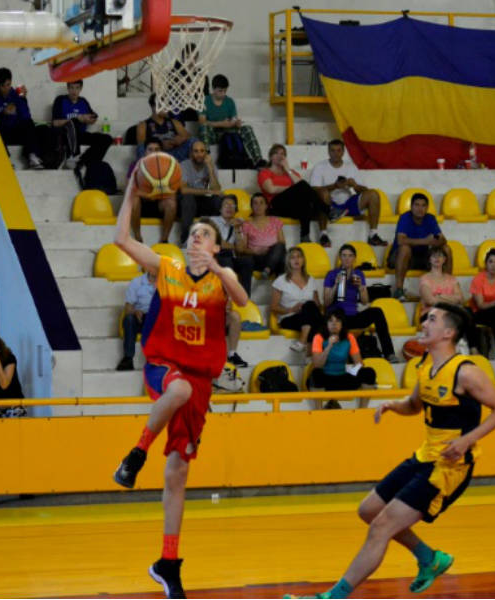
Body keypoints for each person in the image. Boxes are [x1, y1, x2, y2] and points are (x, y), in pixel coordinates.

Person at [284, 303, 495, 599]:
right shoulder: (427, 365)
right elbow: (415, 405)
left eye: (432, 319)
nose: (424, 322)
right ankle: (429, 558)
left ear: (448, 332)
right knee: (368, 510)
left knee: (381, 527)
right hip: (426, 455)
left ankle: (331, 596)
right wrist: (394, 406)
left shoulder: (466, 372)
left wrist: (468, 440)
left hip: (448, 468)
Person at [110, 167, 249, 599]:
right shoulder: (167, 268)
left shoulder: (222, 280)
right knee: (179, 389)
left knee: (180, 472)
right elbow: (122, 240)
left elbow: (242, 300)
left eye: (203, 234)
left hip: (200, 378)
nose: (194, 238)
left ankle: (167, 562)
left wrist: (221, 269)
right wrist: (132, 192)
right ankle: (134, 455)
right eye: (191, 234)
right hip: (163, 365)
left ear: (216, 244)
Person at [324, 244, 400, 363]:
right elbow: (327, 302)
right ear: (340, 257)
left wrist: (361, 288)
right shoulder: (332, 274)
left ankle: (389, 353)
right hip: (338, 316)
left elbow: (365, 301)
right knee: (336, 313)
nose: (347, 259)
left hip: (353, 316)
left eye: (350, 256)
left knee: (377, 312)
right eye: (344, 256)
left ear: (354, 258)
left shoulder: (358, 274)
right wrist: (335, 285)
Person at [309, 140, 387, 247]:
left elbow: (365, 191)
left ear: (343, 152)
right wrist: (334, 186)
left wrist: (354, 185)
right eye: (332, 150)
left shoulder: (351, 166)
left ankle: (373, 235)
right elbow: (313, 190)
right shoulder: (320, 166)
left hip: (348, 204)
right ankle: (323, 235)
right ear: (328, 152)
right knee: (322, 193)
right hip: (330, 204)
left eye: (338, 150)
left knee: (373, 194)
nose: (335, 153)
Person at [258, 144, 330, 246]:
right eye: (276, 153)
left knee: (305, 202)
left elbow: (303, 187)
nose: (279, 156)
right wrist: (291, 189)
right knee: (302, 189)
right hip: (276, 204)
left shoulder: (291, 172)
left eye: (282, 154)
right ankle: (328, 210)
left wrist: (288, 170)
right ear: (270, 157)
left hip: (292, 206)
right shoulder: (265, 172)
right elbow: (271, 189)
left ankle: (305, 237)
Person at [309, 309, 378, 408]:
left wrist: (353, 368)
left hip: (342, 377)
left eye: (337, 321)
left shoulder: (349, 337)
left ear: (342, 324)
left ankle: (363, 410)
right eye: (331, 321)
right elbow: (317, 365)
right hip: (326, 378)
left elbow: (359, 363)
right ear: (326, 323)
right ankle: (318, 411)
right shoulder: (318, 337)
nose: (334, 324)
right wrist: (329, 346)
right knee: (316, 374)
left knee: (369, 373)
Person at [388, 193, 450, 300]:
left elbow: (442, 239)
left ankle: (447, 289)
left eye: (423, 205)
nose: (420, 208)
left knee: (446, 249)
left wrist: (436, 242)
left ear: (427, 208)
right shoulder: (405, 218)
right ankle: (399, 291)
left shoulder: (430, 218)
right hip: (401, 258)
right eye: (416, 205)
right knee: (405, 248)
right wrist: (426, 241)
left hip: (422, 257)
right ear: (411, 207)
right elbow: (401, 240)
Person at [50, 79, 112, 181]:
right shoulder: (60, 100)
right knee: (72, 122)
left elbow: (92, 116)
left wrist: (91, 119)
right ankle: (73, 155)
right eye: (72, 88)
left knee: (106, 139)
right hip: (65, 135)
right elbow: (54, 123)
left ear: (81, 89)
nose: (74, 91)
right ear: (68, 88)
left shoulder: (83, 101)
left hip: (81, 134)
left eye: (77, 88)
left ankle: (84, 161)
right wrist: (78, 118)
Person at [198, 74, 263, 165]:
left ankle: (258, 159)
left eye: (225, 91)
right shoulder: (205, 101)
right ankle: (206, 158)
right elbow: (202, 122)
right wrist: (221, 123)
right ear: (213, 88)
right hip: (213, 133)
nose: (223, 94)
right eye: (220, 91)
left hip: (228, 133)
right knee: (204, 128)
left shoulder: (230, 101)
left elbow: (233, 119)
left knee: (247, 128)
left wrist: (236, 123)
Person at [0, 67, 43, 169]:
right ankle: (5, 160)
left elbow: (26, 117)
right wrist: (3, 113)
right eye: (3, 86)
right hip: (2, 133)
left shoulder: (17, 94)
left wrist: (23, 100)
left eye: (8, 85)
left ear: (11, 82)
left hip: (16, 131)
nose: (6, 89)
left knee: (30, 124)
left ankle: (32, 157)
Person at [271, 246, 324, 353]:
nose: (296, 260)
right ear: (288, 261)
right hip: (289, 317)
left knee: (310, 306)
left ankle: (303, 343)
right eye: (292, 258)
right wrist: (291, 309)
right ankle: (308, 346)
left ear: (303, 260)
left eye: (299, 257)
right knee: (319, 322)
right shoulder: (280, 281)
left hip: (308, 315)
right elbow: (274, 307)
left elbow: (317, 305)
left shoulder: (311, 280)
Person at [129, 143, 178, 244]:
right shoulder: (136, 165)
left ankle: (164, 239)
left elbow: (172, 191)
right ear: (145, 152)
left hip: (160, 204)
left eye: (157, 149)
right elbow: (131, 189)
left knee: (171, 203)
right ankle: (138, 238)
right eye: (150, 149)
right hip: (141, 205)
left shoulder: (169, 166)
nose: (153, 152)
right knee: (133, 199)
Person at [177, 140, 222, 245]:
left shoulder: (211, 165)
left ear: (206, 153)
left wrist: (210, 168)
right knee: (188, 198)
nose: (199, 154)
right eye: (196, 151)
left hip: (204, 202)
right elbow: (184, 190)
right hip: (187, 204)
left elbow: (216, 189)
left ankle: (215, 239)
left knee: (218, 200)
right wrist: (207, 190)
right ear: (191, 153)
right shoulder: (184, 165)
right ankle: (185, 240)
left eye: (202, 151)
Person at [209, 194, 254, 295]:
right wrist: (234, 247)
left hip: (230, 258)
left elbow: (241, 249)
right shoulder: (212, 221)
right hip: (215, 258)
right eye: (226, 205)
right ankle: (228, 298)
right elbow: (219, 243)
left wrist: (237, 229)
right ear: (220, 209)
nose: (229, 208)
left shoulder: (238, 223)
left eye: (232, 206)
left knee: (247, 261)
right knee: (226, 260)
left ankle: (245, 298)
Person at [238, 192, 287, 280]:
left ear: (266, 206)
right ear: (251, 206)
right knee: (282, 260)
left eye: (261, 203)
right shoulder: (246, 224)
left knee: (281, 249)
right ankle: (280, 284)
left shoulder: (275, 221)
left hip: (274, 255)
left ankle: (268, 270)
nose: (258, 206)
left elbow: (282, 242)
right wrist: (256, 252)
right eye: (255, 203)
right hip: (258, 259)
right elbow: (242, 249)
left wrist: (270, 250)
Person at [117, 269, 156, 371]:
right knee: (129, 319)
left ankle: (158, 360)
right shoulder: (137, 282)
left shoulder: (167, 283)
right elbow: (128, 306)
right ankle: (128, 359)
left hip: (158, 319)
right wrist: (135, 311)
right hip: (141, 317)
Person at [136, 93, 192, 162]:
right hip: (155, 155)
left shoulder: (174, 122)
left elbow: (189, 137)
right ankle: (148, 169)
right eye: (164, 106)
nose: (168, 109)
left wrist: (181, 139)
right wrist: (161, 145)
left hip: (174, 154)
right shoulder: (143, 125)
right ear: (154, 107)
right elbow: (142, 148)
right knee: (140, 147)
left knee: (193, 141)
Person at [417, 246, 464, 321]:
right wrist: (452, 301)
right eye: (434, 256)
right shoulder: (424, 278)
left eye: (440, 255)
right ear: (429, 259)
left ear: (444, 259)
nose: (437, 258)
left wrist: (439, 296)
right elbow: (431, 301)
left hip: (450, 314)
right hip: (431, 314)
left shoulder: (452, 279)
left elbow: (460, 299)